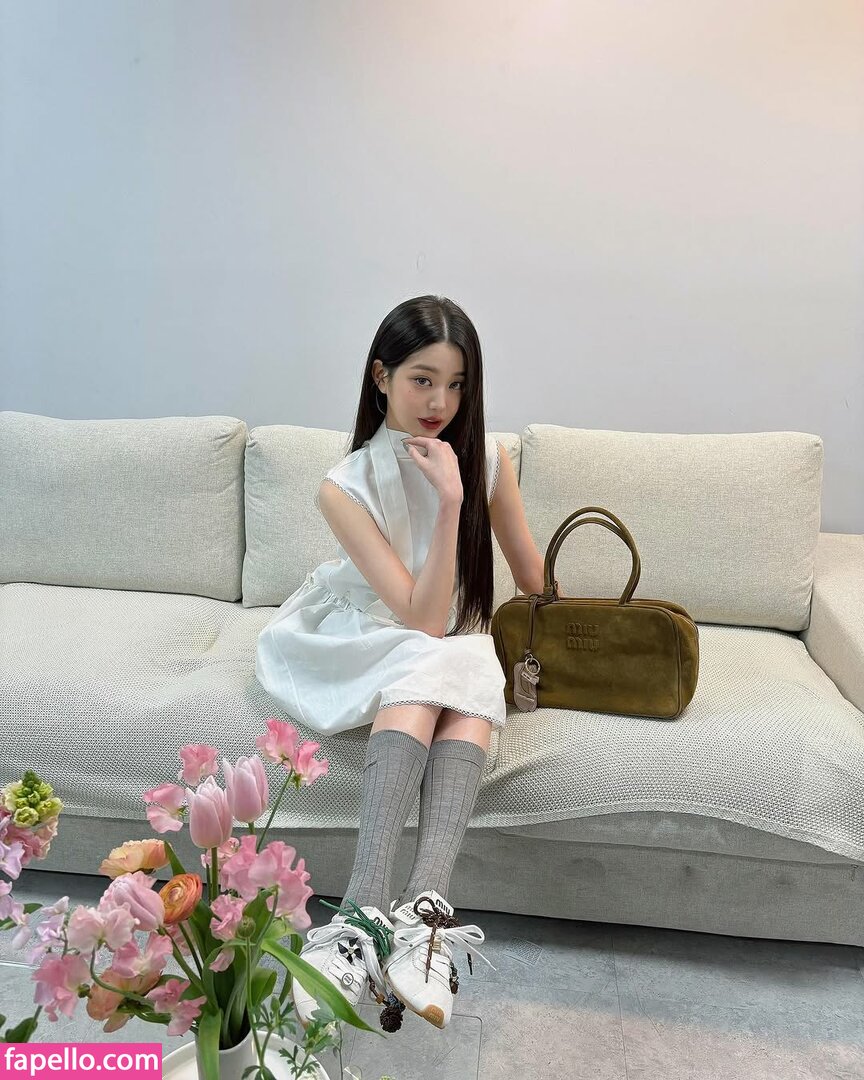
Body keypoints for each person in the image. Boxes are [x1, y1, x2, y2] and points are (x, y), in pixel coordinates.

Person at [255, 294, 545, 1031]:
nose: (440, 403)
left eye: (456, 385)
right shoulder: (344, 485)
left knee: (468, 657)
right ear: (380, 377)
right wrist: (449, 502)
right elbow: (420, 616)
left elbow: (531, 580)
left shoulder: (489, 459)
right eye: (422, 380)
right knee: (440, 657)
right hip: (365, 631)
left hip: (442, 636)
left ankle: (409, 916)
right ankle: (377, 913)